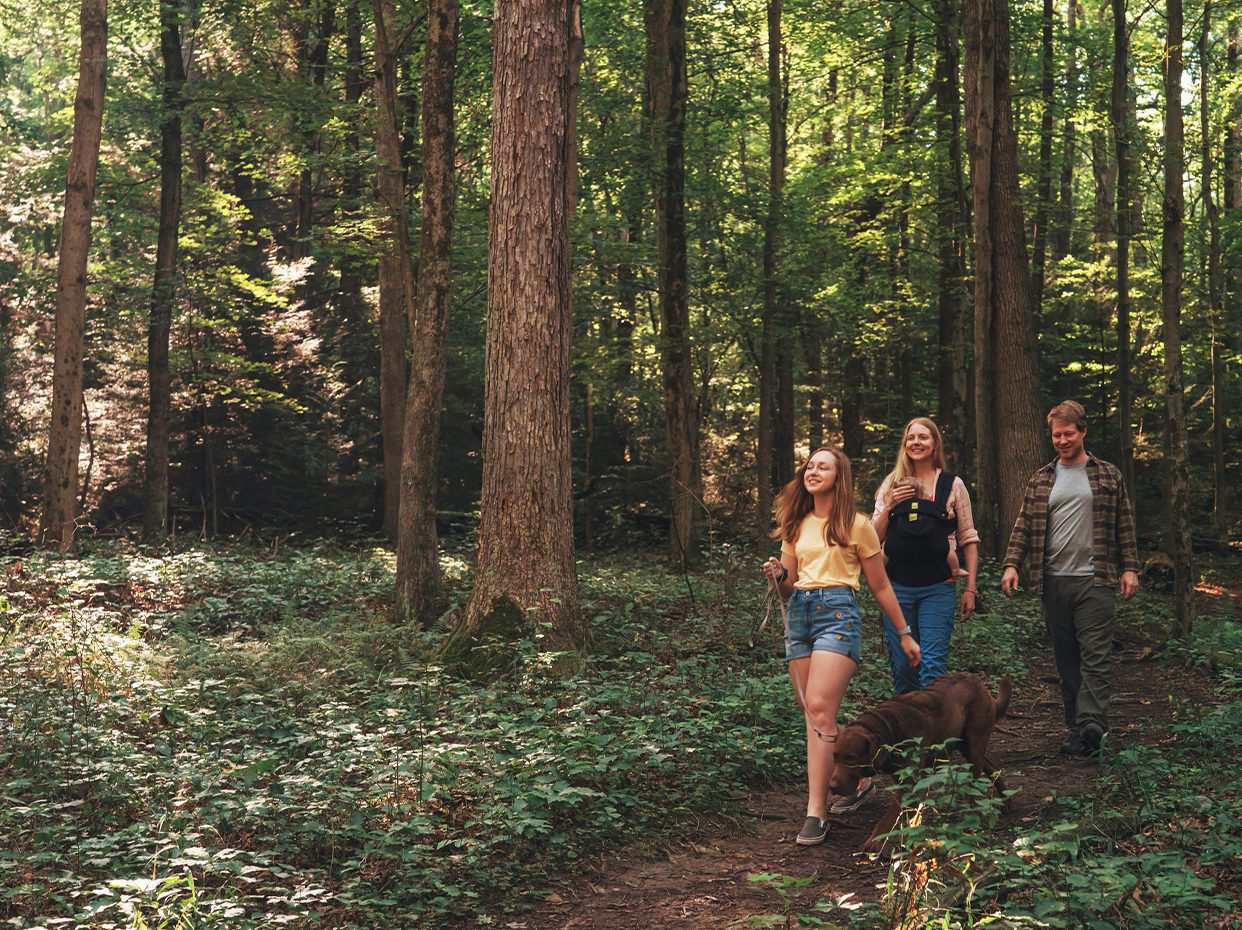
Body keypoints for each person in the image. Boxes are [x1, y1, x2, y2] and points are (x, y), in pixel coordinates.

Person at [762, 446, 921, 846]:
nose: (812, 471)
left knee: (817, 706)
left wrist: (903, 632)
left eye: (823, 466)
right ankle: (859, 777)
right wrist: (779, 573)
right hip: (799, 615)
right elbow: (788, 587)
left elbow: (879, 584)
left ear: (840, 477)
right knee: (814, 713)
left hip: (838, 614)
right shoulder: (795, 523)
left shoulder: (858, 523)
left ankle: (817, 810)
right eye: (810, 465)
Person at [1001, 400, 1140, 756]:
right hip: (1053, 581)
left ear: (1083, 432)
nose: (1062, 440)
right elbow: (1022, 527)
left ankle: (1093, 721)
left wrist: (1130, 567)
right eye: (1056, 435)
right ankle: (1078, 729)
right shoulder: (1042, 478)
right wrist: (1012, 565)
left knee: (1095, 653)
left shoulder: (1108, 475)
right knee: (1067, 659)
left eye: (1068, 433)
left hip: (1097, 579)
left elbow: (1124, 524)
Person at [872, 417, 981, 694]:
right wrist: (891, 506)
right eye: (911, 438)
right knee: (904, 668)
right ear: (905, 444)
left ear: (935, 444)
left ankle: (934, 735)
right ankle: (909, 734)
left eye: (923, 437)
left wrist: (970, 589)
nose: (916, 442)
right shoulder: (891, 484)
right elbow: (874, 538)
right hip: (896, 589)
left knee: (932, 667)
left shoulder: (952, 485)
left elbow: (968, 537)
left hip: (939, 587)